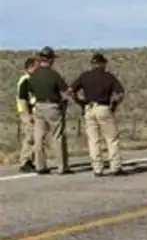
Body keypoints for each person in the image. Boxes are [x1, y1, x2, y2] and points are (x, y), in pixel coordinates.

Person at [69, 52, 127, 176]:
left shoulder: (84, 76)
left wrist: (80, 103)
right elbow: (120, 93)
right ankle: (115, 166)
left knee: (93, 140)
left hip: (89, 108)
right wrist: (114, 106)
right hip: (104, 107)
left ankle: (97, 168)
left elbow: (71, 91)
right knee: (111, 138)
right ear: (103, 64)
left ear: (92, 64)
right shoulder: (109, 77)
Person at [18, 46, 72, 175]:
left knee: (38, 137)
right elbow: (65, 91)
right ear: (51, 59)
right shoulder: (53, 75)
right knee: (57, 136)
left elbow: (25, 94)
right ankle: (62, 166)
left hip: (38, 107)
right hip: (53, 106)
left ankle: (40, 165)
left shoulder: (33, 76)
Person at [15, 57, 38, 172]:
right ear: (30, 67)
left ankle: (31, 160)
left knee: (35, 136)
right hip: (26, 112)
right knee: (30, 136)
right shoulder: (25, 80)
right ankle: (25, 161)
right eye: (36, 67)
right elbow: (22, 99)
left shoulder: (33, 79)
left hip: (33, 111)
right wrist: (27, 115)